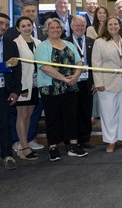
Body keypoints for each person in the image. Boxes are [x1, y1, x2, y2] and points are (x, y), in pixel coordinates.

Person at [34, 18, 87, 161]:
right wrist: (64, 79)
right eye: (52, 28)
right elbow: (44, 67)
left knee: (71, 116)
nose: (56, 30)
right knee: (52, 118)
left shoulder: (69, 44)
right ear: (47, 30)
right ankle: (53, 147)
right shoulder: (42, 46)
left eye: (58, 27)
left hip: (71, 86)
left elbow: (79, 61)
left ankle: (73, 145)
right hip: (51, 88)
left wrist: (75, 76)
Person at [91, 16, 122, 153]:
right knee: (109, 113)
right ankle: (111, 140)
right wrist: (98, 83)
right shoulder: (99, 42)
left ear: (120, 26)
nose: (113, 26)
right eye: (110, 24)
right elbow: (96, 64)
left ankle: (121, 138)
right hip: (107, 83)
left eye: (116, 24)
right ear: (106, 27)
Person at [0, 13, 22, 169]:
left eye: (5, 25)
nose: (3, 27)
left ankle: (7, 154)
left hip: (4, 89)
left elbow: (17, 68)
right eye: (0, 23)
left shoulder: (11, 44)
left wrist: (16, 90)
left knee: (3, 122)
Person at [13, 16, 42, 161]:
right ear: (18, 28)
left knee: (29, 114)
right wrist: (21, 88)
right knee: (22, 114)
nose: (26, 28)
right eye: (23, 26)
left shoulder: (38, 42)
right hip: (23, 85)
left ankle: (23, 142)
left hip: (35, 85)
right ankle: (24, 146)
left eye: (29, 25)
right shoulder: (15, 44)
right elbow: (16, 69)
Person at [65, 15, 95, 149]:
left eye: (82, 25)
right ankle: (72, 139)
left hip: (87, 82)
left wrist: (94, 81)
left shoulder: (92, 42)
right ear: (71, 26)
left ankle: (85, 138)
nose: (80, 28)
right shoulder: (64, 42)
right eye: (77, 25)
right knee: (71, 112)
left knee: (86, 111)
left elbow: (95, 64)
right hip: (71, 81)